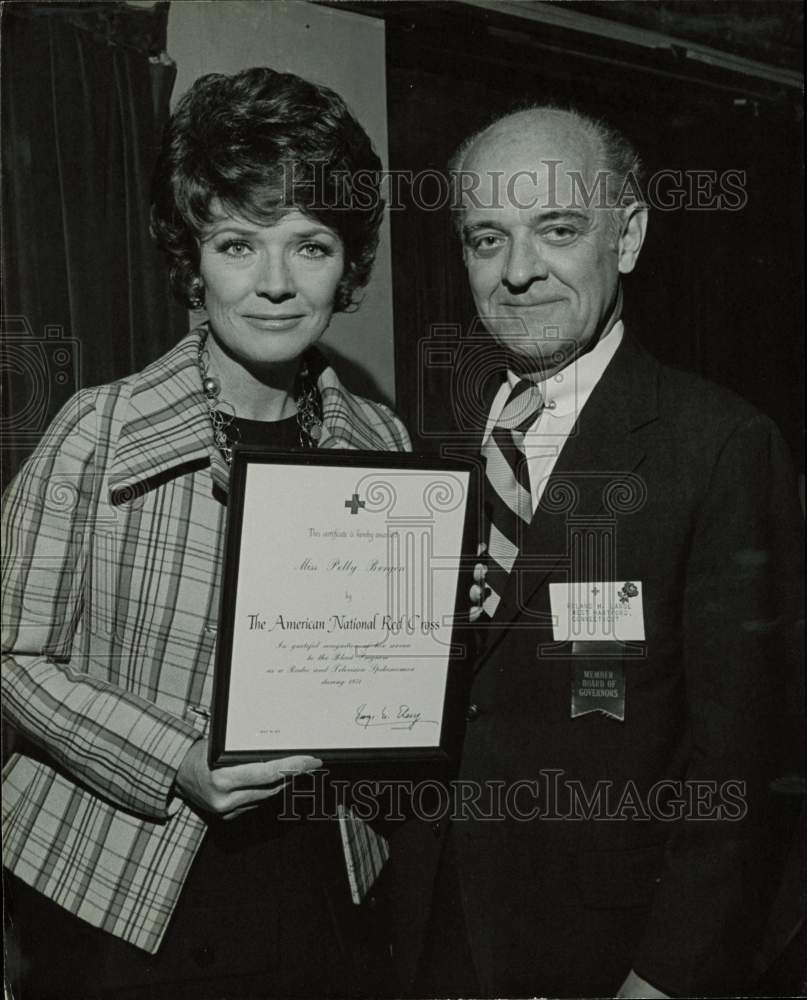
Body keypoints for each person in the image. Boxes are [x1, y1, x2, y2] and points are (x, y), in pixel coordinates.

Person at [2, 67, 409, 999]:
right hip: (115, 892)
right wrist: (171, 760)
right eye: (237, 243)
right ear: (192, 259)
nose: (273, 283)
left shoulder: (383, 442)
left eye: (309, 246)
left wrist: (435, 624)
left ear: (347, 265)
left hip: (320, 879)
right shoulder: (95, 429)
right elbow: (10, 654)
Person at [392, 106, 804, 999]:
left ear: (626, 237)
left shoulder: (719, 444)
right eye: (485, 238)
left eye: (558, 229)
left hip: (607, 957)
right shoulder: (430, 446)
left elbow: (742, 758)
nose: (517, 272)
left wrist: (663, 978)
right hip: (428, 936)